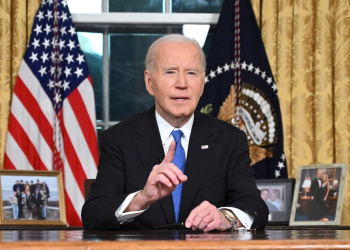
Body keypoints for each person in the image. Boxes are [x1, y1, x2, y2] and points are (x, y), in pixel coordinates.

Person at [82, 34, 268, 231]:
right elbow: (94, 213)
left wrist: (226, 218)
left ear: (203, 83)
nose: (182, 83)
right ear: (149, 82)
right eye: (170, 72)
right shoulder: (119, 139)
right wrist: (141, 199)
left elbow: (255, 207)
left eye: (191, 73)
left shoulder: (230, 139)